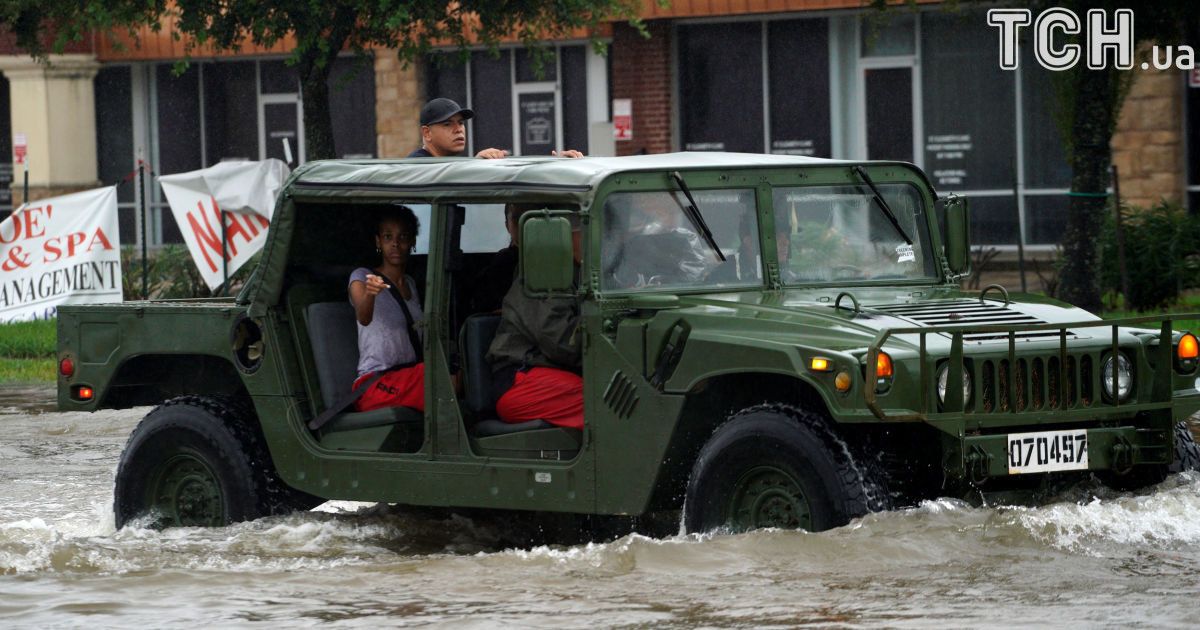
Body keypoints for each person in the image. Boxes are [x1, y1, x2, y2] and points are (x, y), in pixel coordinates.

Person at [485, 214, 584, 430]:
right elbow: (559, 341)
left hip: (554, 373)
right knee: (606, 402)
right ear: (566, 234)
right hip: (521, 378)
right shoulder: (546, 272)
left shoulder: (583, 272)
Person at [348, 206, 426, 412]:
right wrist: (370, 294)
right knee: (440, 380)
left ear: (413, 242)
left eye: (403, 237)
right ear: (378, 242)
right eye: (388, 237)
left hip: (409, 375)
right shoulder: (362, 277)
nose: (395, 244)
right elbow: (363, 317)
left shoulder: (410, 284)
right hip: (377, 382)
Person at [408, 97, 585, 159]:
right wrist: (476, 166)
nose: (458, 129)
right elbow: (443, 181)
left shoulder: (449, 165)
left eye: (461, 123)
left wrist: (554, 165)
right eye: (447, 124)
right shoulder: (416, 166)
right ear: (427, 133)